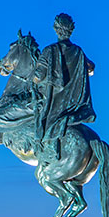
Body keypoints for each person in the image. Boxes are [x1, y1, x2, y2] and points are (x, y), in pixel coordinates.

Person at [32, 13, 96, 155]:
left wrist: (33, 77)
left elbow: (38, 76)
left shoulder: (49, 51)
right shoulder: (78, 51)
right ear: (71, 30)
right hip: (75, 104)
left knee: (39, 118)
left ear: (56, 29)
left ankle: (47, 149)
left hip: (56, 103)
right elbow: (91, 67)